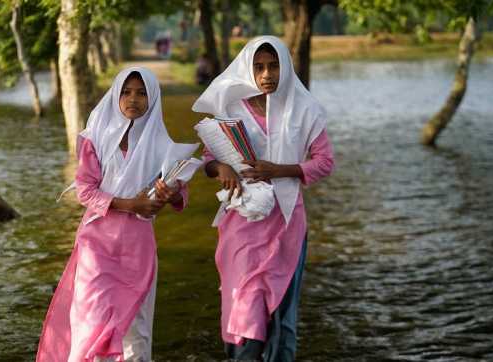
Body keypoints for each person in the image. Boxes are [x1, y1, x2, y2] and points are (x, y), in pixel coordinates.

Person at [192, 36, 335, 361]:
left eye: (273, 66)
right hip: (241, 223)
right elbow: (208, 160)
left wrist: (279, 170)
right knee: (243, 301)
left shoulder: (304, 110)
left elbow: (325, 162)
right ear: (248, 70)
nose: (267, 74)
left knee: (282, 311)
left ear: (284, 68)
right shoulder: (230, 110)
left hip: (286, 224)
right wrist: (222, 168)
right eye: (259, 67)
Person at [37, 67, 189, 361]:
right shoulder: (96, 139)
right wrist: (131, 205)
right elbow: (84, 191)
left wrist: (172, 195)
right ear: (116, 95)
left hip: (138, 247)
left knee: (137, 330)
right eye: (126, 92)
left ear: (153, 99)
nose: (133, 99)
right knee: (90, 323)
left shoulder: (164, 146)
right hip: (96, 245)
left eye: (142, 93)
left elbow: (182, 193)